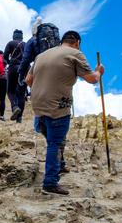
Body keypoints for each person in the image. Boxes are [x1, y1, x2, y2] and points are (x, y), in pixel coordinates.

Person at [26, 30, 103, 195]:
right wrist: (99, 72)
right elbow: (92, 79)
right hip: (58, 106)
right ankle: (50, 182)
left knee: (54, 137)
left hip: (37, 105)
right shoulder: (75, 54)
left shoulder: (42, 55)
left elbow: (28, 80)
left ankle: (60, 164)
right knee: (55, 142)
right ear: (77, 42)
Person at [4, 29, 25, 118]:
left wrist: (9, 62)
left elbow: (4, 57)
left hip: (13, 68)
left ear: (14, 36)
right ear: (21, 36)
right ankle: (19, 117)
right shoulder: (26, 44)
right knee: (21, 93)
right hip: (24, 69)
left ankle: (14, 106)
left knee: (10, 91)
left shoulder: (10, 43)